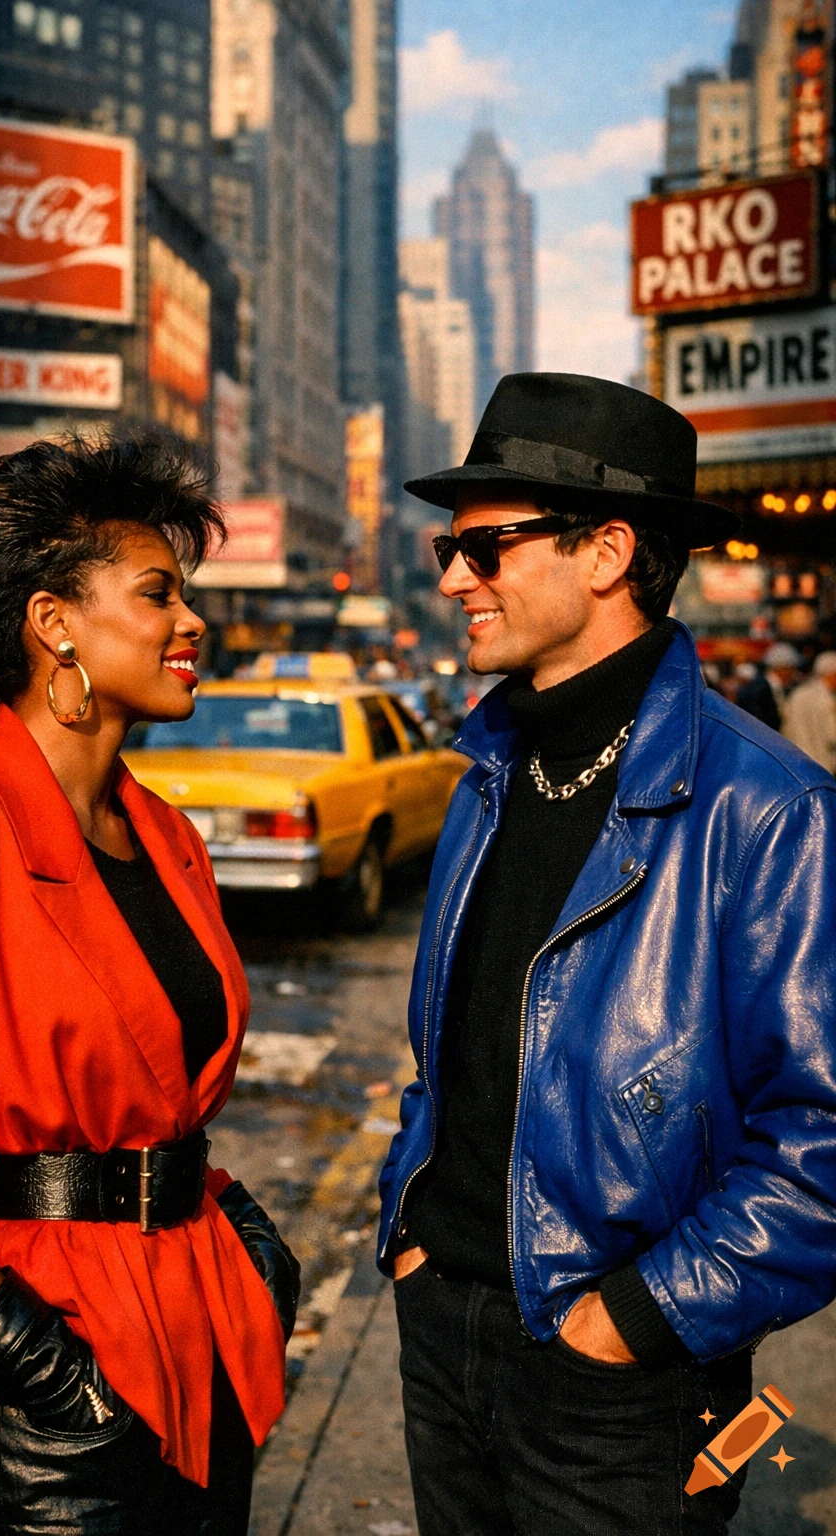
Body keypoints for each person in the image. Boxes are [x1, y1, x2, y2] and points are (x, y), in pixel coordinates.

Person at [0, 433, 299, 1536]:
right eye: (157, 593)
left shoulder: (167, 836)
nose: (192, 625)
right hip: (42, 1391)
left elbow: (168, 1092)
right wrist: (35, 1367)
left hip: (202, 1342)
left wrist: (259, 1257)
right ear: (53, 623)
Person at [377, 373, 836, 1535]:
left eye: (485, 549)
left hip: (621, 1381)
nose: (451, 580)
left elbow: (821, 1143)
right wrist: (412, 1232)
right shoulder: (485, 773)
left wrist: (632, 1318)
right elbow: (453, 1060)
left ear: (607, 552)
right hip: (445, 1331)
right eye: (449, 548)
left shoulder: (769, 807)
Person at [782, 650, 836, 774]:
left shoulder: (797, 694)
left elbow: (787, 728)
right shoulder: (828, 700)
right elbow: (832, 734)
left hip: (798, 761)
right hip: (823, 763)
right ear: (831, 674)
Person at [735, 641, 800, 731]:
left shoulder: (769, 688)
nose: (793, 673)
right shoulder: (758, 691)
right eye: (791, 668)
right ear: (782, 668)